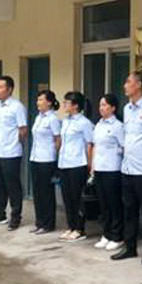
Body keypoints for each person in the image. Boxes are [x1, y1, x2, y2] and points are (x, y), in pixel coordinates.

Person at [112, 71, 142, 263]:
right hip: (127, 167)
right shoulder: (127, 108)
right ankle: (130, 246)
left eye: (128, 82)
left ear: (139, 85)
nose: (125, 85)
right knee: (129, 210)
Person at [0, 76, 28, 231]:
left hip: (11, 153)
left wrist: (14, 143)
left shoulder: (17, 107)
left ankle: (16, 216)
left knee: (13, 186)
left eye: (1, 87)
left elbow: (23, 130)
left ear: (9, 89)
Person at [57, 91, 94, 243]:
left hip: (77, 164)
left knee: (77, 197)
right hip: (64, 163)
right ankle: (71, 226)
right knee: (67, 197)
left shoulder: (84, 123)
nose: (64, 105)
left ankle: (79, 229)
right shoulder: (65, 121)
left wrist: (90, 165)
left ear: (76, 106)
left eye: (67, 103)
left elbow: (90, 144)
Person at [91, 93, 125, 252]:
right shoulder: (98, 125)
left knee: (114, 204)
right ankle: (106, 233)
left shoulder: (118, 126)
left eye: (104, 105)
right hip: (100, 169)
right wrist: (93, 166)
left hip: (113, 169)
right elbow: (95, 146)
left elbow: (124, 146)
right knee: (103, 204)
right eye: (100, 105)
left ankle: (117, 236)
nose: (101, 108)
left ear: (113, 108)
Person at [29, 89, 61, 235]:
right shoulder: (38, 117)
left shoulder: (52, 119)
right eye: (38, 99)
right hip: (35, 158)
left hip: (47, 160)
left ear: (49, 102)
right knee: (37, 192)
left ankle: (48, 224)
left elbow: (58, 139)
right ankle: (39, 222)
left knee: (46, 193)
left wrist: (55, 156)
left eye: (41, 100)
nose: (38, 102)